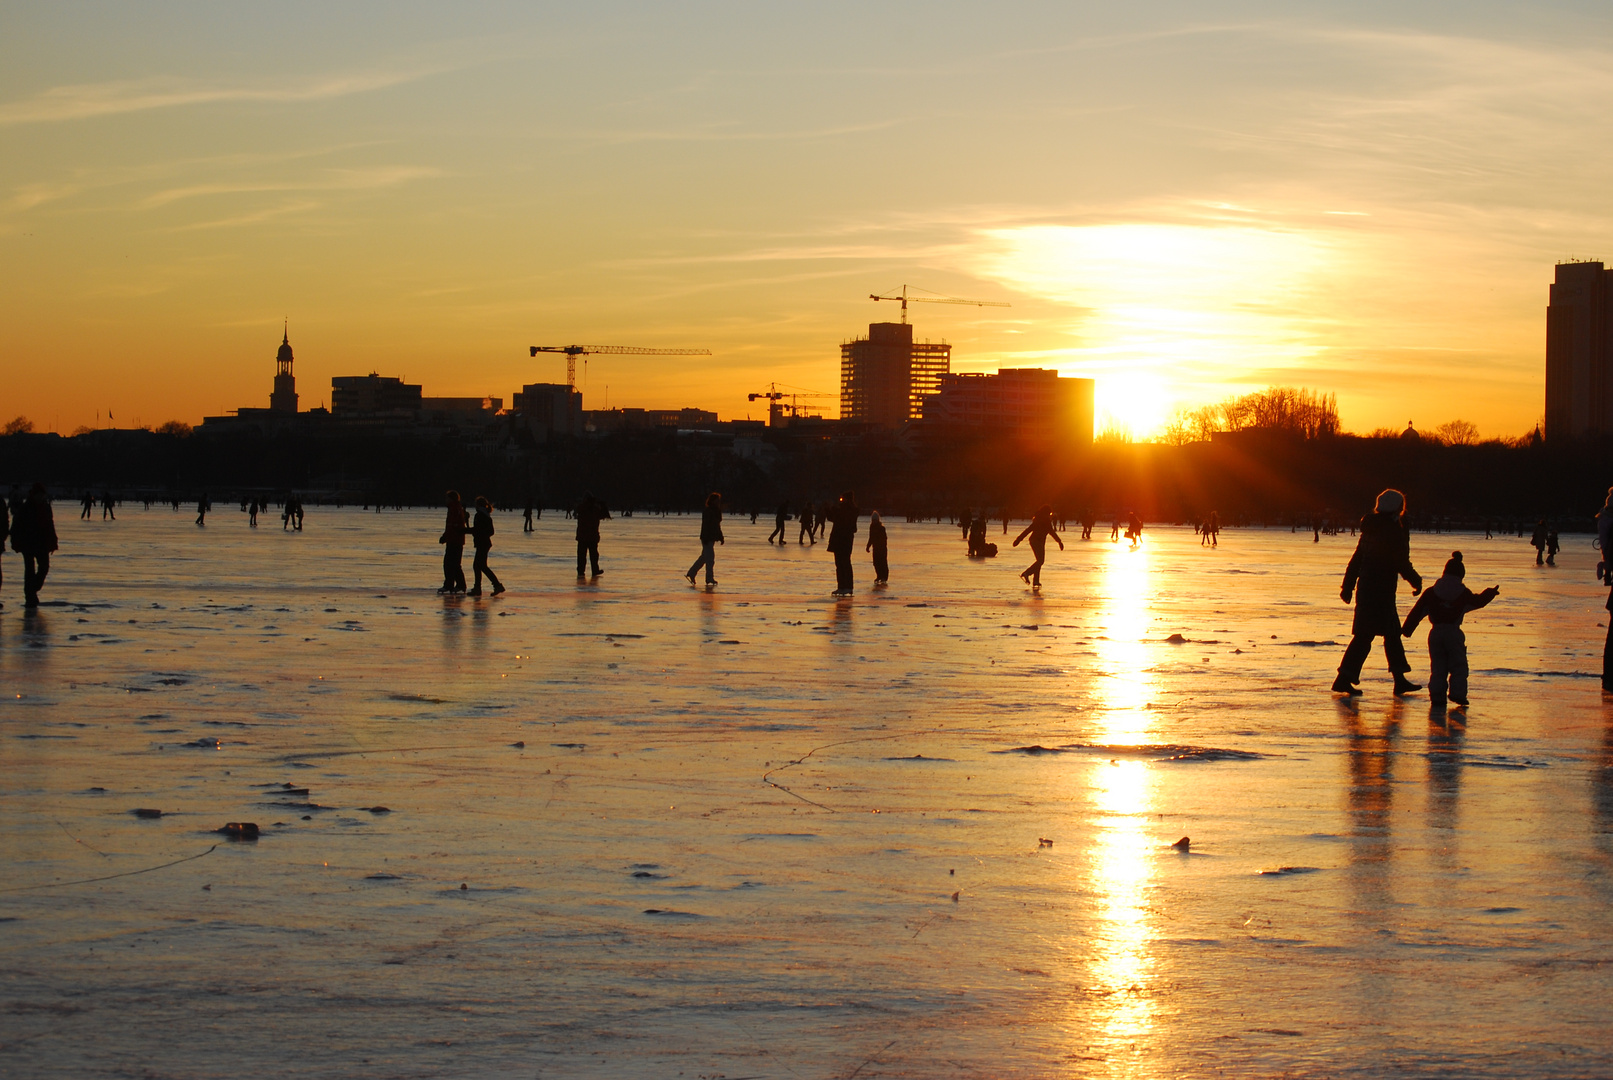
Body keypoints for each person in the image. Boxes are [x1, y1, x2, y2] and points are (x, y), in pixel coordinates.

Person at [1333, 488, 1423, 697]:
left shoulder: (1372, 527)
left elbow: (1358, 557)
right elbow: (1399, 560)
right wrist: (1415, 580)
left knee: (1390, 634)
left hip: (1369, 588)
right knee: (1366, 636)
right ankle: (1344, 678)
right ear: (1398, 508)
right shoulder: (1392, 530)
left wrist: (1348, 586)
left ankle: (1399, 680)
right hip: (1380, 591)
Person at [1401, 551, 1498, 708]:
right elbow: (1478, 601)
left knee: (1438, 666)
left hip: (1436, 634)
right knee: (1458, 665)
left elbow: (1417, 611)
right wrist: (1490, 593)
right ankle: (1458, 693)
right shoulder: (1463, 594)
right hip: (1454, 633)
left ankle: (1437, 696)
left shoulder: (1431, 592)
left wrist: (1407, 629)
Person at [12, 483, 58, 609]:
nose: (41, 497)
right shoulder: (26, 507)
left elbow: (50, 525)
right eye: (39, 495)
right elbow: (16, 525)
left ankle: (32, 590)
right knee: (29, 570)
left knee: (44, 568)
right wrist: (15, 541)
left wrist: (53, 540)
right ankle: (30, 596)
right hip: (28, 543)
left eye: (42, 495)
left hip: (42, 543)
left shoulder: (46, 507)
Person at [1014, 504, 1064, 588]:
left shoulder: (1037, 519)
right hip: (1038, 542)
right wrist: (1059, 542)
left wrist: (1019, 539)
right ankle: (1027, 573)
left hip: (1034, 541)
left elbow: (1028, 530)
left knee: (1039, 561)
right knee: (1040, 561)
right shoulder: (1046, 520)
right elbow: (1052, 532)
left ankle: (1036, 580)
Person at [467, 496, 504, 596]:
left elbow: (477, 530)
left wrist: (464, 530)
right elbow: (490, 532)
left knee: (480, 566)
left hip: (482, 543)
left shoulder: (479, 515)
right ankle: (483, 587)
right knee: (480, 566)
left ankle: (493, 586)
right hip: (485, 543)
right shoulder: (487, 515)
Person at [686, 492, 724, 585]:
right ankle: (709, 578)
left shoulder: (716, 511)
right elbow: (706, 525)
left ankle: (691, 573)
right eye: (717, 500)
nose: (718, 502)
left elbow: (717, 525)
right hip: (707, 538)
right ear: (712, 500)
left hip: (711, 537)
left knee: (704, 558)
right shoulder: (708, 511)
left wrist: (720, 536)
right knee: (710, 558)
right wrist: (706, 537)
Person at [825, 490, 859, 595]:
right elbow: (833, 517)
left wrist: (831, 508)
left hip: (842, 539)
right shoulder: (848, 510)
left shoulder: (847, 510)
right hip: (843, 540)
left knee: (843, 563)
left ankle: (846, 586)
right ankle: (843, 586)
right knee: (842, 563)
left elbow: (835, 517)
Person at [438, 490, 469, 594]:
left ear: (451, 499)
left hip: (455, 540)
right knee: (453, 564)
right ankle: (457, 584)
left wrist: (445, 537)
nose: (445, 500)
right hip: (455, 540)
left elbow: (452, 526)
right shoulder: (455, 508)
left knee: (450, 563)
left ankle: (453, 585)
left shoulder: (454, 509)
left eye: (447, 498)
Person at [575, 492, 609, 577]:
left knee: (583, 555)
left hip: (584, 536)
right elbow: (604, 515)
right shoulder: (594, 509)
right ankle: (591, 570)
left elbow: (577, 509)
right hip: (590, 536)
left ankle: (582, 570)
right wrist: (602, 505)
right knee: (592, 555)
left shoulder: (585, 508)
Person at [866, 510, 889, 584]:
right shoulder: (872, 527)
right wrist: (868, 546)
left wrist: (882, 546)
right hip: (875, 548)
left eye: (875, 520)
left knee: (883, 563)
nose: (874, 521)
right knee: (876, 563)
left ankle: (884, 577)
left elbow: (885, 538)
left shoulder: (881, 528)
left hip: (882, 548)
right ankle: (879, 575)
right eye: (873, 520)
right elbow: (871, 537)